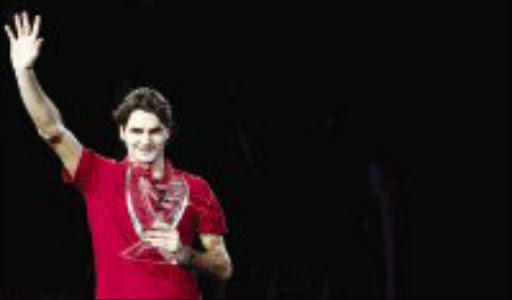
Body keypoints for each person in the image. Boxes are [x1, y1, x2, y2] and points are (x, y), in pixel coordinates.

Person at [4, 11, 233, 299]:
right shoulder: (98, 175)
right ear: (122, 133)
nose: (145, 141)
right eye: (136, 131)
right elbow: (52, 128)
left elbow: (223, 267)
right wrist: (24, 73)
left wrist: (185, 253)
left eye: (154, 131)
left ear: (168, 133)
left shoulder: (197, 188)